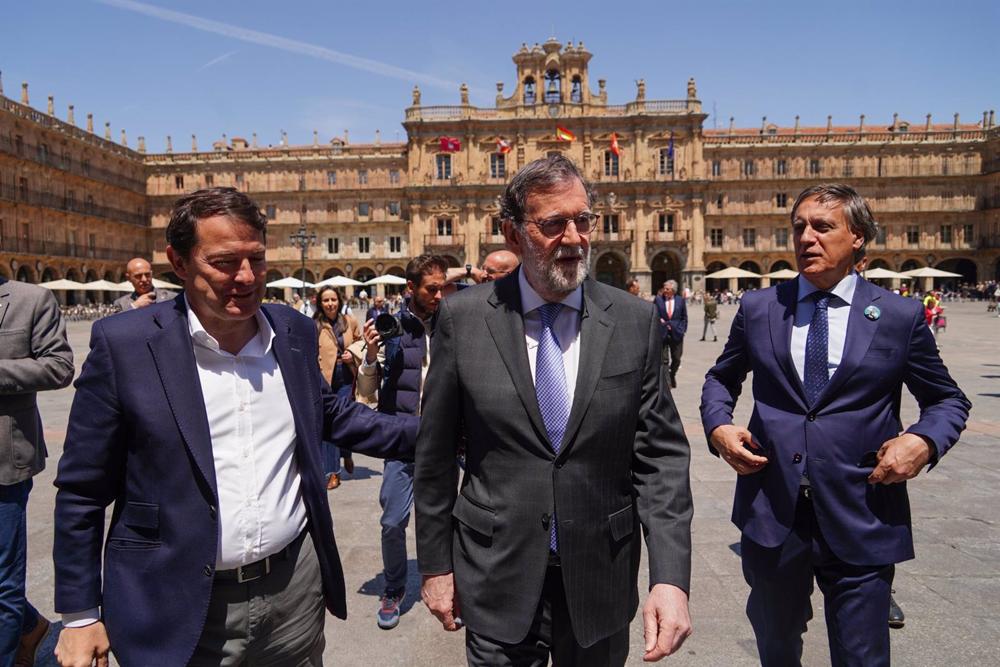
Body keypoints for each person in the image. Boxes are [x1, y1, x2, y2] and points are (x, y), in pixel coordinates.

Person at [52, 187, 418, 667]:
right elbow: (81, 488)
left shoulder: (291, 331)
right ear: (178, 263)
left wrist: (438, 431)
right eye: (224, 262)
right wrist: (80, 615)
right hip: (176, 602)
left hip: (293, 597)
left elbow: (330, 413)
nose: (246, 278)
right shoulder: (126, 344)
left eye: (257, 260)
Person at [415, 155, 693, 666]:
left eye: (583, 220)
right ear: (513, 233)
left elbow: (661, 459)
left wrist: (670, 578)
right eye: (553, 224)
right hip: (496, 571)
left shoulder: (633, 320)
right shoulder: (464, 317)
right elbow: (433, 460)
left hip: (600, 577)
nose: (574, 237)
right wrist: (434, 567)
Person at [700, 183, 970, 666]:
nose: (807, 237)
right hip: (773, 514)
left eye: (823, 227)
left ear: (859, 237)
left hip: (862, 508)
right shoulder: (761, 308)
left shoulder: (898, 315)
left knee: (862, 657)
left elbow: (947, 399)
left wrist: (923, 441)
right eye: (799, 227)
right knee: (776, 648)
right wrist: (719, 426)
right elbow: (721, 379)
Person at [355, 254, 448, 630]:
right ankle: (393, 588)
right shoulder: (390, 327)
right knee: (393, 521)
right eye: (431, 288)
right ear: (410, 289)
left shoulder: (452, 323)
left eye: (443, 287)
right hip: (401, 439)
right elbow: (366, 391)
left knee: (456, 520)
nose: (440, 295)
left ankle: (452, 584)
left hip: (445, 439)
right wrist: (372, 354)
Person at [0, 277, 74, 667]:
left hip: (3, 463)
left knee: (2, 583)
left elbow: (59, 366)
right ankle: (32, 627)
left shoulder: (31, 299)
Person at [314, 286, 361, 490]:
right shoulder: (315, 325)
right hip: (325, 379)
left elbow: (362, 343)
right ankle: (332, 472)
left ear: (339, 301)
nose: (330, 304)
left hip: (346, 378)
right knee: (329, 423)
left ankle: (347, 453)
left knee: (343, 421)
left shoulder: (349, 322)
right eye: (326, 300)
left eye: (333, 299)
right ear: (320, 303)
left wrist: (353, 352)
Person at [654, 279, 687, 387]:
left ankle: (672, 374)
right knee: (664, 360)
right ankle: (667, 382)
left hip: (676, 333)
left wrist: (682, 329)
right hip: (662, 332)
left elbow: (684, 317)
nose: (665, 290)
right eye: (664, 288)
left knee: (677, 358)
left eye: (667, 288)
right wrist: (659, 321)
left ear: (673, 290)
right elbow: (654, 314)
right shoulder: (658, 299)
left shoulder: (680, 300)